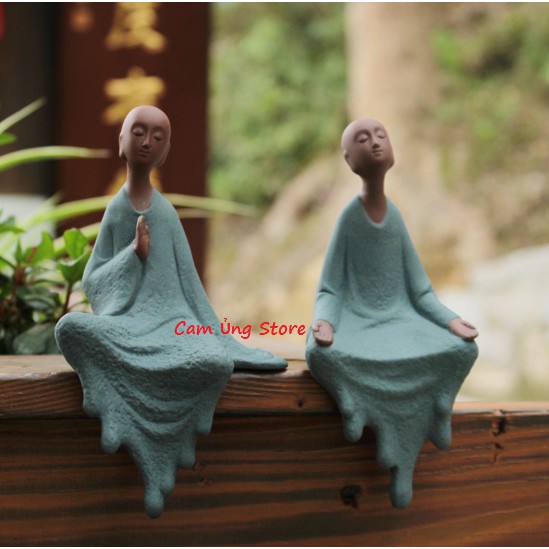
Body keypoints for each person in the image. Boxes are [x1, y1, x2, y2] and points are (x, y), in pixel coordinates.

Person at [55, 105, 287, 518]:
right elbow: (93, 281)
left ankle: (160, 433)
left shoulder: (164, 214)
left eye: (158, 137)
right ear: (121, 141)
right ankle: (121, 407)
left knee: (216, 362)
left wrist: (219, 337)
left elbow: (191, 290)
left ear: (165, 151)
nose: (147, 142)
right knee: (70, 327)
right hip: (125, 327)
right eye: (138, 132)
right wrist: (133, 255)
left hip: (171, 326)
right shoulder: (116, 211)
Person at [306, 118, 478, 509]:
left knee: (463, 350)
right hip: (359, 322)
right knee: (320, 354)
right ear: (349, 159)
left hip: (401, 319)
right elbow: (331, 287)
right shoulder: (349, 218)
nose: (375, 142)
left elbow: (420, 289)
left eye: (380, 135)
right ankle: (354, 406)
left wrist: (450, 320)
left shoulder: (395, 217)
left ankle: (440, 406)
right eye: (363, 139)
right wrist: (325, 321)